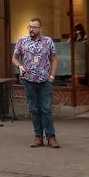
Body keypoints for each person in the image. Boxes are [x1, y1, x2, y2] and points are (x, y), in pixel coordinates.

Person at [12, 17, 59, 148]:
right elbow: (14, 58)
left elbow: (54, 59)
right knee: (34, 109)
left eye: (34, 27)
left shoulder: (48, 41)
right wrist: (19, 66)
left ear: (40, 28)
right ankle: (38, 137)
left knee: (46, 109)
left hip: (45, 81)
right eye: (30, 27)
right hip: (29, 81)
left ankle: (51, 137)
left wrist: (52, 77)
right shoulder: (22, 41)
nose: (31, 29)